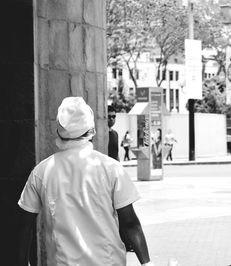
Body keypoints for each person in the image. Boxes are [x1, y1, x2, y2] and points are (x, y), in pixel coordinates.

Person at [17, 97, 153, 266]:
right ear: (92, 130)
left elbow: (24, 228)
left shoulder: (41, 172)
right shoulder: (111, 168)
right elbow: (130, 224)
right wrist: (147, 264)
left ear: (59, 132)